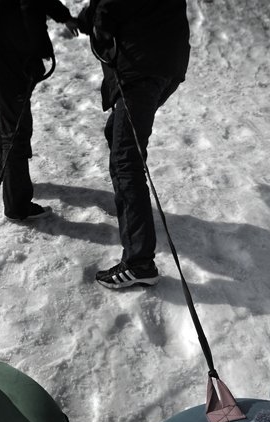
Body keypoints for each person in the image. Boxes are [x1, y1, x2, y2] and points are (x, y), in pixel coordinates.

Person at [77, 0, 190, 289]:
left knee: (127, 161)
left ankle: (139, 263)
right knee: (118, 136)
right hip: (167, 63)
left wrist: (100, 32)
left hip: (140, 66)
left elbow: (108, 9)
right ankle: (132, 210)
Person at [0, 0, 79, 222]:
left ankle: (6, 175)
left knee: (7, 111)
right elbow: (28, 8)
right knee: (16, 128)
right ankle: (17, 206)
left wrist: (62, 15)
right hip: (1, 49)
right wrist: (35, 55)